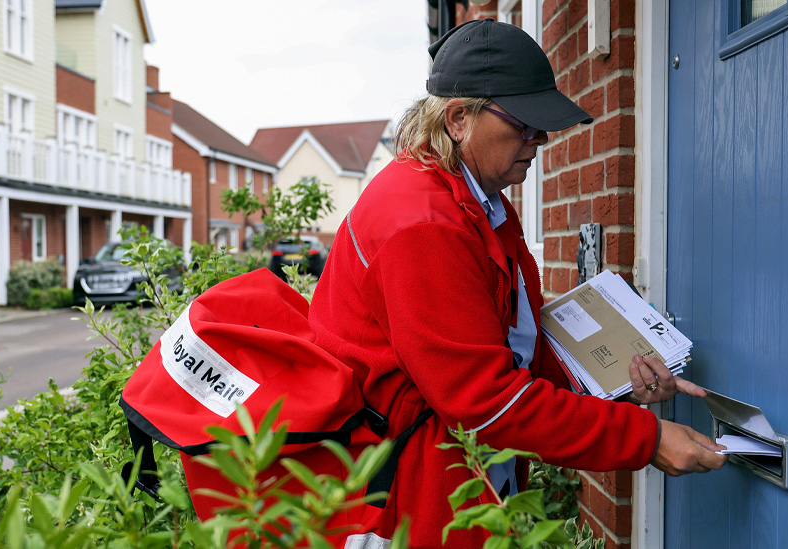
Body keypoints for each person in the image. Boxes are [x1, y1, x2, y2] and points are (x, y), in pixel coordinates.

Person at [308, 18, 727, 548]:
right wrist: (646, 439)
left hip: (453, 476)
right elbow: (483, 401)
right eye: (525, 123)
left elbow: (510, 341)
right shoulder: (424, 224)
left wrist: (617, 380)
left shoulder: (477, 201)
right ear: (459, 118)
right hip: (411, 498)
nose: (541, 138)